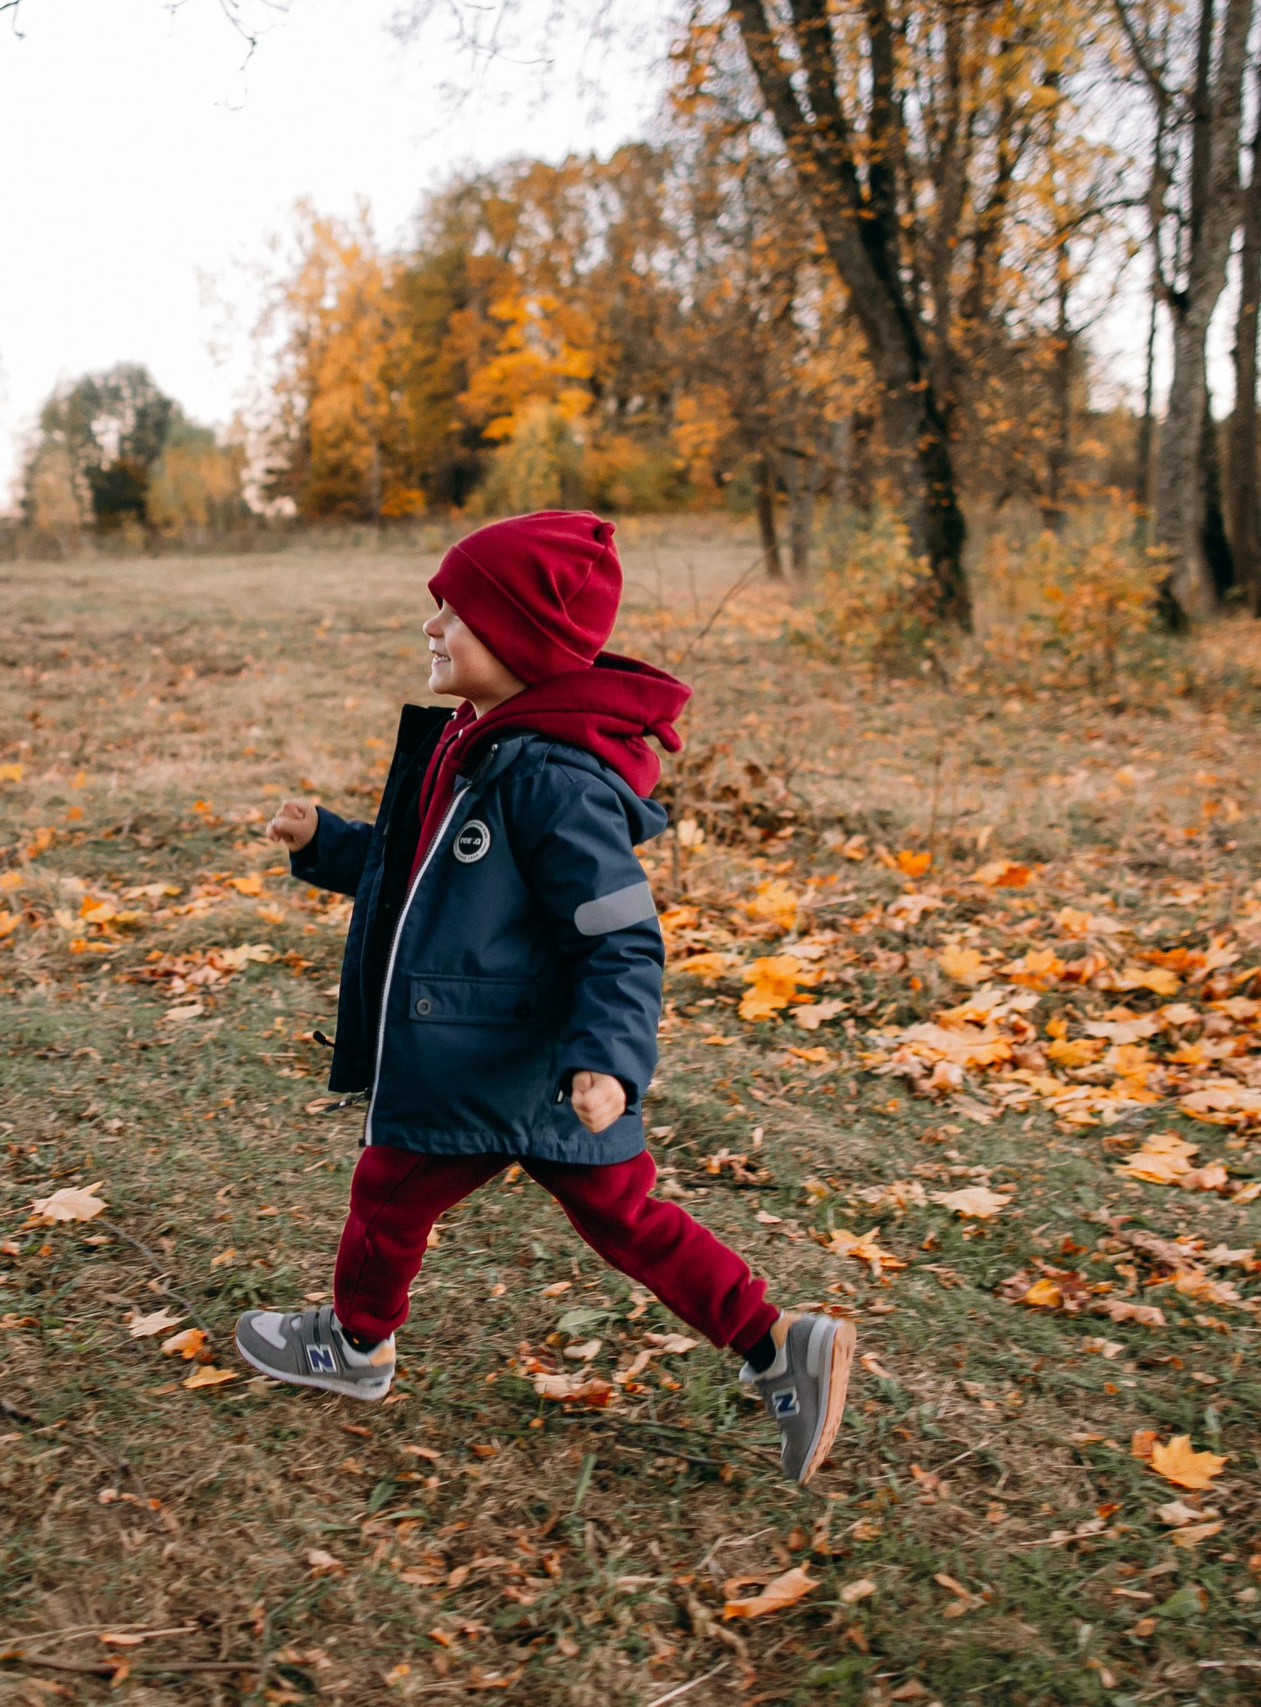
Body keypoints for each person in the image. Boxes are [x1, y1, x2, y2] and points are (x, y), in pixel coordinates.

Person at [233, 511, 854, 1485]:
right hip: (514, 1055)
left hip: (505, 1061)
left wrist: (608, 1057)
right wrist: (326, 841)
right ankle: (779, 1346)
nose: (432, 627)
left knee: (390, 1191)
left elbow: (618, 935)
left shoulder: (551, 779)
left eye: (456, 612)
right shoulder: (479, 745)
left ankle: (354, 1347)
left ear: (519, 637)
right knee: (623, 1218)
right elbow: (420, 882)